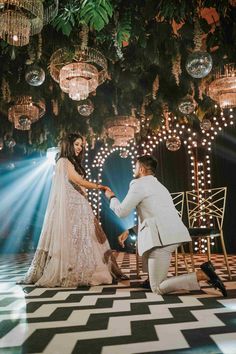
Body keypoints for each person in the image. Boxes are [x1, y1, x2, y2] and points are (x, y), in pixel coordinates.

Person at [105, 155, 227, 297]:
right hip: (173, 233)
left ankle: (202, 274)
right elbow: (154, 216)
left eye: (136, 166)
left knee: (157, 288)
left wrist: (112, 197)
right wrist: (131, 230)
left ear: (142, 169)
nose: (135, 169)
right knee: (150, 256)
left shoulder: (138, 184)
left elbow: (121, 212)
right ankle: (151, 278)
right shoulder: (160, 187)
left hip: (163, 239)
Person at [20, 133, 126, 287]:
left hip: (80, 205)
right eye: (76, 144)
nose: (79, 148)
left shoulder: (70, 162)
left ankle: (89, 268)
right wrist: (100, 187)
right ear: (68, 145)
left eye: (81, 145)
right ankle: (75, 271)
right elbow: (77, 180)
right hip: (72, 207)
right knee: (75, 238)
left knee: (87, 238)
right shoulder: (63, 161)